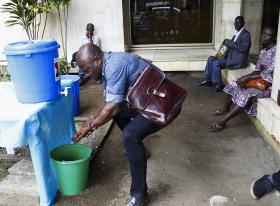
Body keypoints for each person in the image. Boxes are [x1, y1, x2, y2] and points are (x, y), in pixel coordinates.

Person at [72, 44, 170, 206]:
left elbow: (112, 107)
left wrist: (89, 128)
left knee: (130, 135)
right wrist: (91, 118)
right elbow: (109, 101)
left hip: (163, 104)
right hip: (146, 99)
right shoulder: (106, 63)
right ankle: (139, 150)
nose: (88, 75)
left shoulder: (114, 66)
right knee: (118, 116)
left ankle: (140, 196)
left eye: (88, 70)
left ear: (97, 60)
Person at [208, 25, 277, 132]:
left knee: (247, 93)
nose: (263, 37)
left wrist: (249, 77)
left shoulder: (276, 53)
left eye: (268, 35)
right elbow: (258, 69)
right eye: (263, 33)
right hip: (258, 79)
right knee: (235, 82)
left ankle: (223, 122)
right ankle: (225, 108)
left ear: (274, 38)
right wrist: (245, 77)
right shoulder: (263, 51)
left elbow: (271, 73)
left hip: (267, 85)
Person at [198, 16, 251, 92]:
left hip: (237, 61)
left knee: (216, 63)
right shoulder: (237, 33)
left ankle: (218, 84)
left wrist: (229, 42)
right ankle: (208, 80)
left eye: (238, 23)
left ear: (243, 23)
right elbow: (231, 46)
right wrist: (221, 55)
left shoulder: (246, 34)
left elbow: (243, 48)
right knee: (211, 58)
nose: (236, 25)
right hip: (230, 57)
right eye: (235, 23)